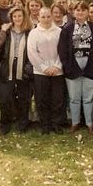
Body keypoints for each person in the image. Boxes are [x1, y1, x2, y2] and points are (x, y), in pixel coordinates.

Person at [58, 0, 93, 135]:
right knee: (74, 98)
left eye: (84, 10)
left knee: (88, 98)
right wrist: (67, 66)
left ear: (87, 13)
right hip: (73, 67)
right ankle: (75, 122)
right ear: (73, 12)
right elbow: (62, 50)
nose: (80, 12)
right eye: (78, 10)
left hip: (90, 67)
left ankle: (90, 123)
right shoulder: (67, 28)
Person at [0, 7, 33, 135]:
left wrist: (28, 69)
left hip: (23, 67)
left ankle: (23, 124)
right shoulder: (6, 32)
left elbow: (32, 53)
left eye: (20, 16)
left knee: (23, 98)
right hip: (7, 67)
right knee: (5, 98)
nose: (17, 18)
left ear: (24, 17)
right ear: (11, 18)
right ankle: (5, 124)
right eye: (15, 16)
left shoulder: (29, 33)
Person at [27, 7, 65, 135]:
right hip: (40, 72)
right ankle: (45, 125)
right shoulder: (34, 33)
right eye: (43, 17)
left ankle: (56, 124)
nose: (46, 19)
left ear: (52, 17)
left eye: (48, 16)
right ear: (38, 18)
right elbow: (32, 53)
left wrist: (57, 66)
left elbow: (63, 51)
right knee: (42, 100)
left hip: (57, 71)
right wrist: (44, 68)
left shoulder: (59, 31)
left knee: (57, 100)